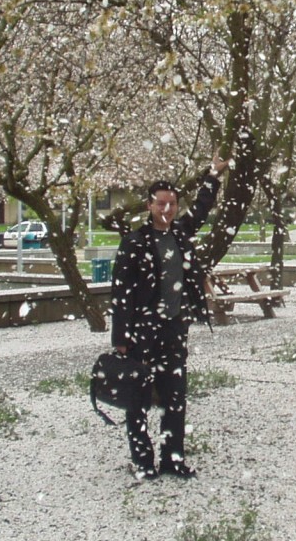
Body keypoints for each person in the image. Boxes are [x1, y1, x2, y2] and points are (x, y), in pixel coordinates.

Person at [110, 153, 229, 481]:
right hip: (142, 332)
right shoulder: (134, 243)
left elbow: (203, 208)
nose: (167, 209)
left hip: (175, 329)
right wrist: (120, 339)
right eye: (161, 203)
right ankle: (143, 460)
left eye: (172, 204)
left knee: (175, 396)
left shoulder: (180, 233)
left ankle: (173, 458)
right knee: (139, 399)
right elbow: (120, 294)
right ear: (149, 206)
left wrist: (213, 175)